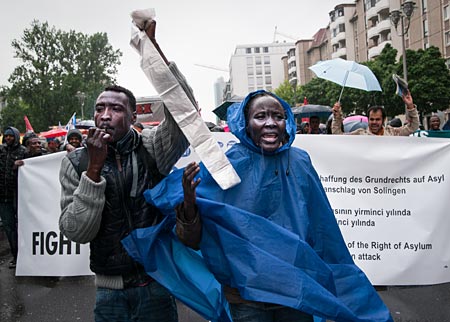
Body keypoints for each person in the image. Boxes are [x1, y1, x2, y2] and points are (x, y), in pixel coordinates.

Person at [164, 90, 392, 322]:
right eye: (261, 116)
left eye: (278, 116)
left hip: (295, 292)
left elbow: (322, 228)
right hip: (246, 296)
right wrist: (189, 206)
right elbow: (192, 240)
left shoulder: (300, 162)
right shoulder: (224, 167)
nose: (270, 123)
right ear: (245, 123)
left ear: (287, 122)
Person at [59, 19, 195, 322]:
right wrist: (93, 169)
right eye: (100, 108)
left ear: (134, 115)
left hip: (157, 286)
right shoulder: (76, 162)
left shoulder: (152, 148)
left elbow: (183, 109)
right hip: (109, 294)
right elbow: (76, 231)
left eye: (117, 109)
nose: (105, 116)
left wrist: (154, 51)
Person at [332, 90, 419, 136]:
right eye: (372, 119)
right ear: (368, 119)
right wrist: (337, 117)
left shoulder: (392, 133)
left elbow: (413, 127)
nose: (374, 122)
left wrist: (410, 106)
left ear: (383, 120)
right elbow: (338, 136)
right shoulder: (360, 135)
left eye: (377, 119)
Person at [0, 127, 26, 268]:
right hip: (4, 197)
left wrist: (24, 164)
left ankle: (27, 254)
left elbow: (37, 160)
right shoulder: (1, 151)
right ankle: (16, 256)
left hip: (19, 196)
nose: (8, 138)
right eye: (6, 136)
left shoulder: (23, 152)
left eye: (11, 136)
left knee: (24, 225)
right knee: (9, 228)